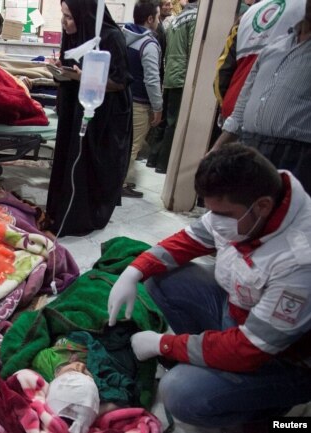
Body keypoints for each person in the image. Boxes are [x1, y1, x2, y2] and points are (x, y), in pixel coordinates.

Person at [107, 143, 311, 428]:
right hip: (237, 312)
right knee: (162, 276)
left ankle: (266, 414)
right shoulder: (252, 201)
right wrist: (135, 270)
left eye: (223, 214)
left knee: (179, 393)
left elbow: (250, 349)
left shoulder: (300, 261)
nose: (215, 221)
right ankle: (208, 362)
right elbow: (189, 239)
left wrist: (163, 344)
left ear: (263, 206)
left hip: (282, 358)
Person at [45, 0, 133, 236]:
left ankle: (81, 218)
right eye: (62, 16)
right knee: (68, 158)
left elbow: (120, 82)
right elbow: (68, 69)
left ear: (86, 16)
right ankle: (60, 211)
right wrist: (59, 71)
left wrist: (87, 78)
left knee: (89, 165)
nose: (64, 22)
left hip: (104, 117)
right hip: (74, 108)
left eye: (69, 17)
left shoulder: (111, 37)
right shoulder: (74, 34)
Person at [211, 0, 311, 194]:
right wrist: (217, 147)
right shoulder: (275, 47)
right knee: (238, 217)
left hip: (297, 158)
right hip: (250, 146)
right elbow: (241, 107)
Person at [214, 0, 305, 122]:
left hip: (233, 112)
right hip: (278, 120)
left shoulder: (247, 14)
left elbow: (222, 73)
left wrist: (228, 107)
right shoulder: (305, 9)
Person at [149, 0, 198, 173]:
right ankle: (163, 164)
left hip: (170, 73)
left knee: (164, 121)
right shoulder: (195, 18)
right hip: (181, 75)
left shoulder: (178, 18)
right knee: (172, 122)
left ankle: (153, 159)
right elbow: (194, 49)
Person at [121, 0, 163, 199]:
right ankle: (119, 185)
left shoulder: (124, 36)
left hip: (123, 97)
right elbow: (152, 79)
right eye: (158, 16)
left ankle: (117, 180)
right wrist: (158, 106)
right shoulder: (149, 44)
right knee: (133, 146)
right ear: (150, 19)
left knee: (123, 142)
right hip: (140, 102)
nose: (159, 20)